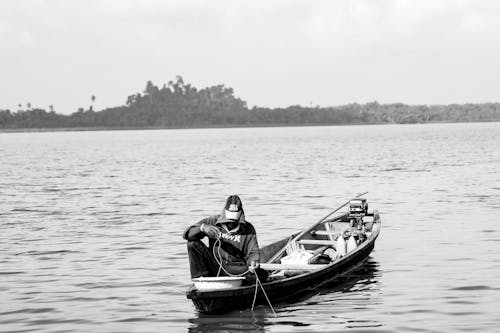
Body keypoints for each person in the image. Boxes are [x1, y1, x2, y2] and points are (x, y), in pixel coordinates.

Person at [183, 194, 267, 283]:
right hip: (215, 265)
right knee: (192, 243)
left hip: (236, 269)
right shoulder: (212, 221)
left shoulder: (249, 228)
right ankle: (202, 280)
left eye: (234, 221)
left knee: (261, 275)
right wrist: (202, 228)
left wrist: (253, 262)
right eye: (228, 220)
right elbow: (187, 235)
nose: (230, 223)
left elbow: (253, 252)